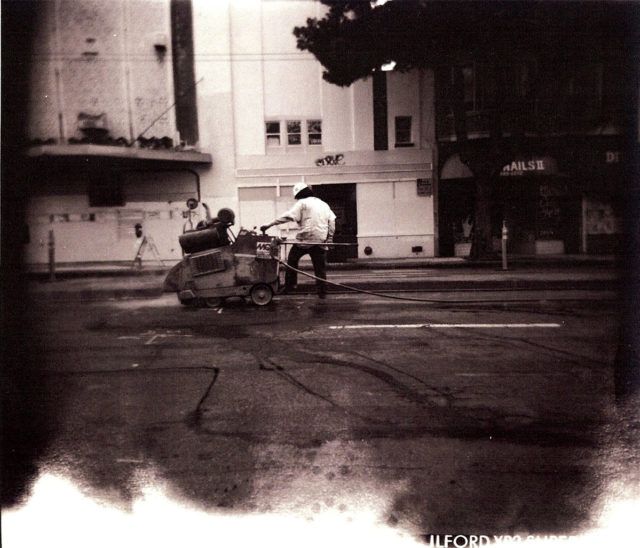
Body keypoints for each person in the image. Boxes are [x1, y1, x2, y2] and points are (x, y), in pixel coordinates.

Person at [261, 182, 336, 298]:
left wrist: (269, 224)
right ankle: (322, 291)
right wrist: (330, 238)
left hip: (305, 239)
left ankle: (290, 286)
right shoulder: (324, 204)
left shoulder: (302, 203)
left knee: (292, 260)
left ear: (300, 194)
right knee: (320, 267)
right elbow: (332, 221)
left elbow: (287, 216)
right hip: (320, 239)